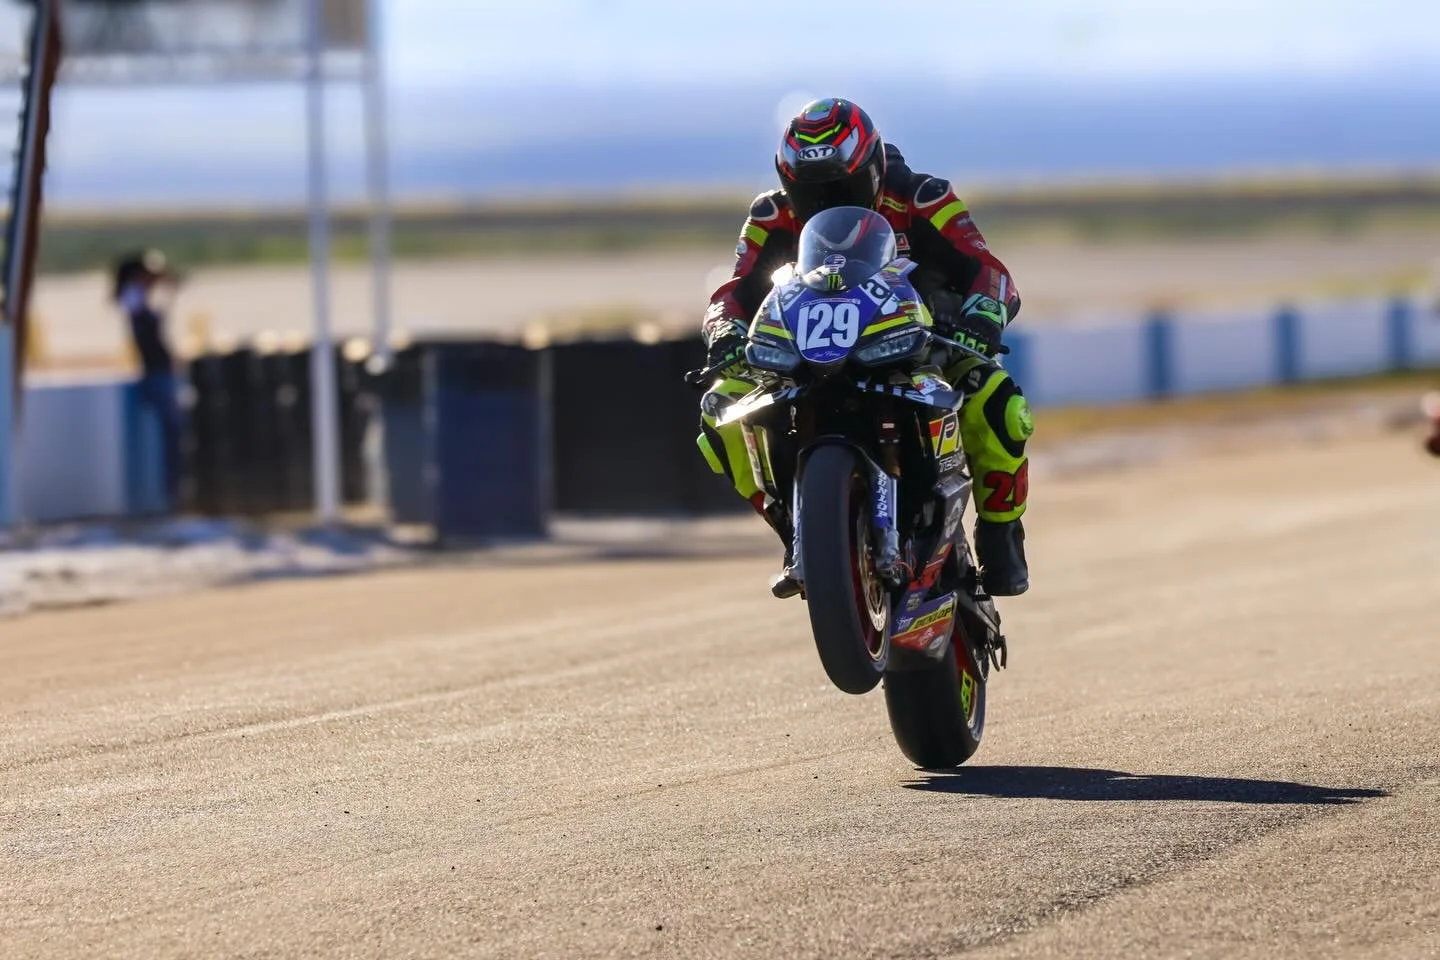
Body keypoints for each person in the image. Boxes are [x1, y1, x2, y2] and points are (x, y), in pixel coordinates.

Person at [696, 97, 1033, 600]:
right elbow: (735, 289)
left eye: (842, 187)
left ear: (872, 168)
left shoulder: (922, 196)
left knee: (996, 399)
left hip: (922, 340)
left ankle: (1000, 534)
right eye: (811, 191)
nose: (828, 202)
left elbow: (987, 269)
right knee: (719, 411)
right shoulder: (770, 214)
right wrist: (723, 331)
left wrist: (980, 318)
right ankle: (796, 529)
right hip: (806, 349)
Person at [113, 248, 184, 509]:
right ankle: (171, 494)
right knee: (172, 435)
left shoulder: (136, 297)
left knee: (172, 435)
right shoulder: (133, 297)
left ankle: (170, 493)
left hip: (158, 372)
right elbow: (145, 324)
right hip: (156, 374)